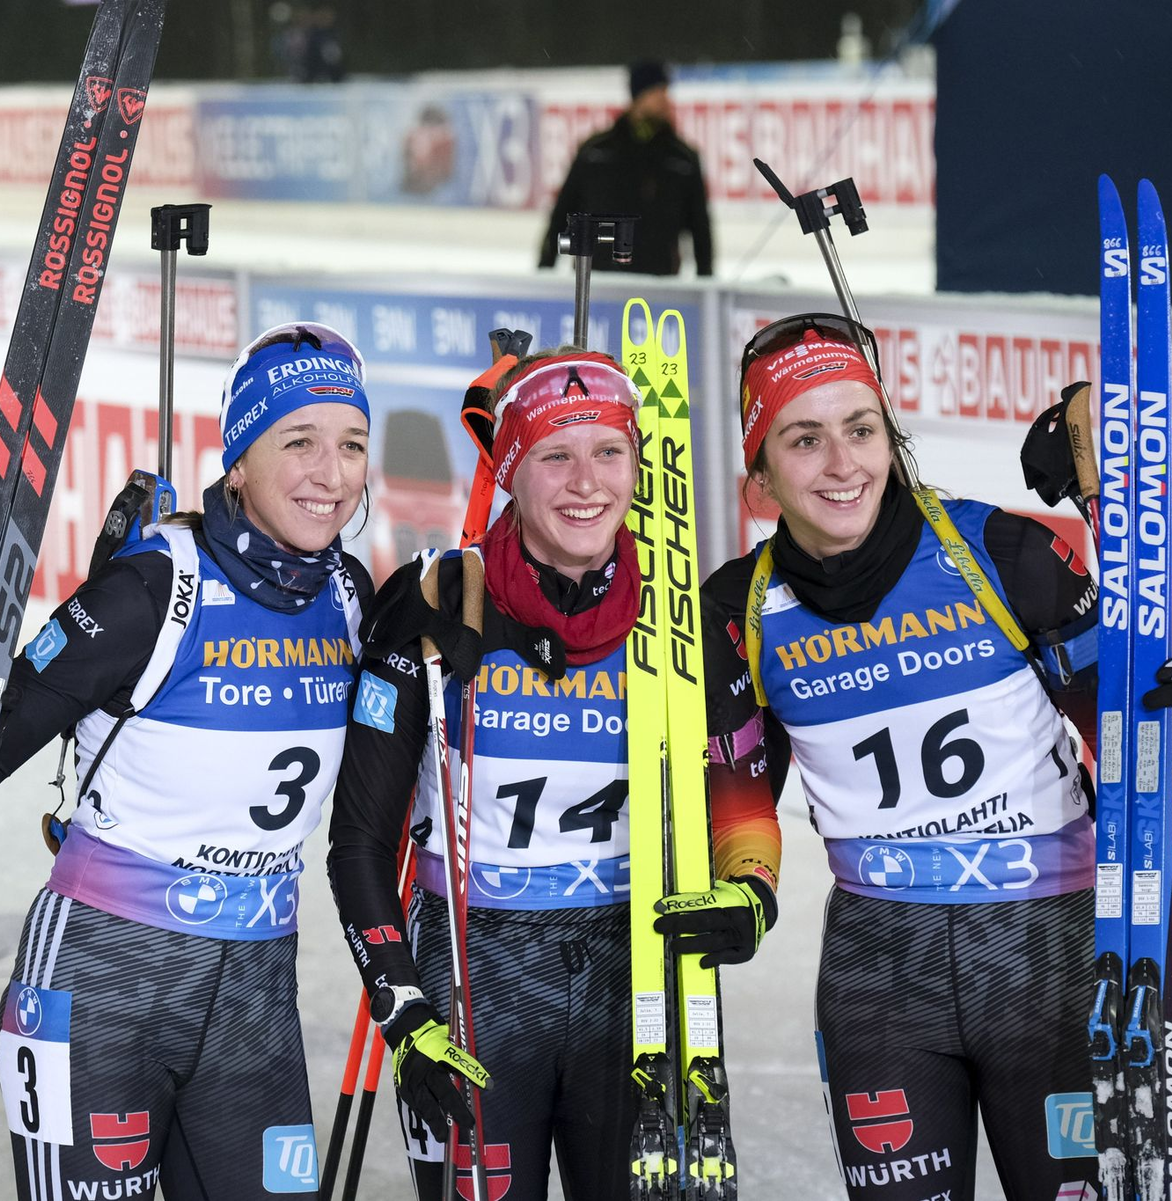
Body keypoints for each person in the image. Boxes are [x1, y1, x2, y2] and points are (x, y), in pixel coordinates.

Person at [328, 348, 773, 1199]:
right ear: (511, 472)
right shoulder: (431, 603)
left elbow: (743, 792)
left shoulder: (685, 619)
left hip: (633, 969)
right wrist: (402, 1007)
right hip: (474, 968)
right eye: (555, 455)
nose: (586, 483)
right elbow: (358, 844)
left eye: (610, 451)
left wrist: (752, 890)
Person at [701, 313, 1099, 1198]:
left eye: (862, 429)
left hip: (1049, 947)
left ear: (892, 438)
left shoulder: (1004, 554)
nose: (843, 464)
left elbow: (1130, 743)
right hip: (880, 971)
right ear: (759, 473)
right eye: (805, 439)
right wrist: (747, 890)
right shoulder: (740, 609)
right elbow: (741, 793)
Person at [0, 322, 374, 1200]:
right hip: (100, 975)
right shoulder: (159, 587)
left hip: (256, 986)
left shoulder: (349, 595)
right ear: (238, 458)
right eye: (300, 441)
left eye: (351, 444)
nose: (332, 472)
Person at [537, 61, 713, 277]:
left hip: (658, 284)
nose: (665, 100)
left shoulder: (683, 159)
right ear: (638, 96)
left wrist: (706, 281)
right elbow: (562, 213)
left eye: (665, 92)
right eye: (657, 92)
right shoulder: (595, 152)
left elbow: (700, 228)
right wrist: (545, 269)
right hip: (597, 281)